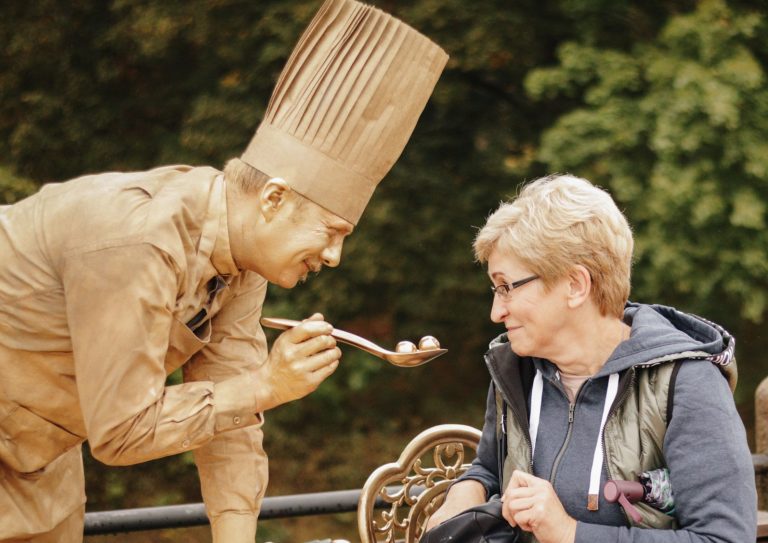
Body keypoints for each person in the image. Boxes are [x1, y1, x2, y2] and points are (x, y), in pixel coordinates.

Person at [0, 1, 448, 541]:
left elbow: (229, 417)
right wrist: (267, 385)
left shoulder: (240, 265)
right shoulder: (138, 238)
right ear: (274, 199)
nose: (334, 258)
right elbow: (122, 431)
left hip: (38, 459)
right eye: (331, 232)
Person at [426, 174, 756, 542]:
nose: (495, 311)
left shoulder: (688, 383)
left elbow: (725, 538)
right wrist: (465, 492)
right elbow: (491, 467)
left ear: (575, 285)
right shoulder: (516, 369)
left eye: (507, 287)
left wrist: (569, 533)